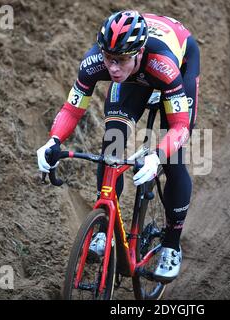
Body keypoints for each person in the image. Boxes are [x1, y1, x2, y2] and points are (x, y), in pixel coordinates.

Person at [37, 10, 200, 282]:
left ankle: (172, 245)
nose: (113, 68)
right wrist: (53, 141)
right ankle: (104, 231)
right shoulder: (94, 63)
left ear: (137, 53)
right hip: (137, 77)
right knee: (112, 145)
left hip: (179, 63)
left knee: (173, 159)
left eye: (121, 60)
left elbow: (180, 127)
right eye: (108, 59)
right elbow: (71, 108)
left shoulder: (163, 64)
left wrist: (157, 156)